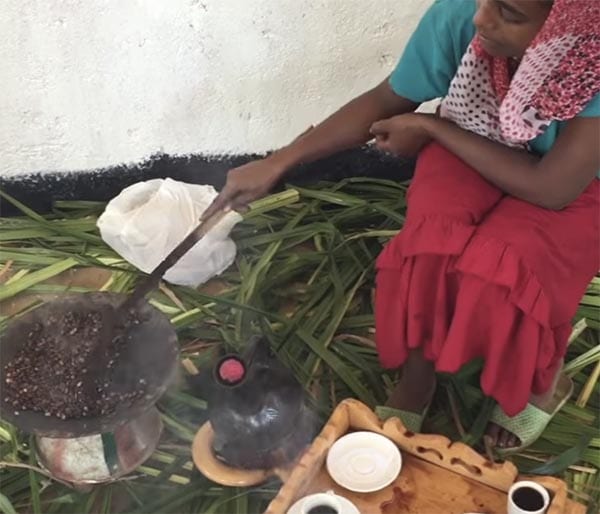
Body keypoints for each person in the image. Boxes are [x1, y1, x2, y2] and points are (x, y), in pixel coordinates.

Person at [204, 0, 600, 453]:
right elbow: (387, 99)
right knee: (430, 240)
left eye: (509, 13)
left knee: (511, 259)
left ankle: (541, 383)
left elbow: (553, 189)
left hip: (572, 182)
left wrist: (434, 129)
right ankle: (418, 379)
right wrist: (279, 161)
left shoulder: (594, 52)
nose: (481, 18)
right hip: (480, 137)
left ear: (568, 24)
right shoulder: (460, 16)